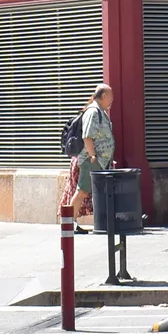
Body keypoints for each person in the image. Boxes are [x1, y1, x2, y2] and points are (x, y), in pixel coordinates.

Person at [63, 83, 115, 231]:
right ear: (104, 96)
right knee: (82, 191)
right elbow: (87, 137)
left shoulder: (101, 111)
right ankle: (68, 223)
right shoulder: (93, 112)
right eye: (110, 97)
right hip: (92, 160)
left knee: (97, 192)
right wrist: (93, 157)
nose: (112, 100)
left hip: (100, 160)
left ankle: (103, 223)